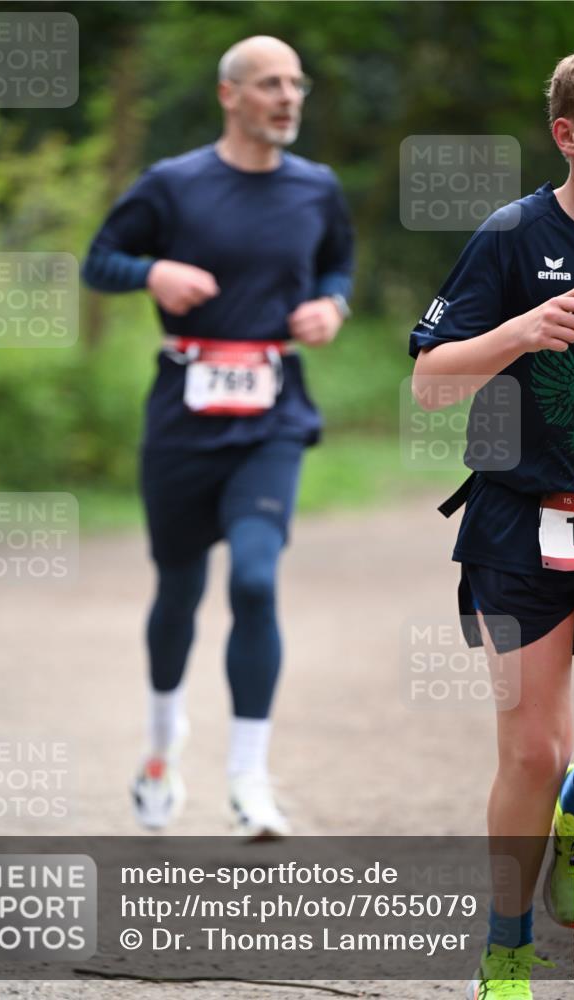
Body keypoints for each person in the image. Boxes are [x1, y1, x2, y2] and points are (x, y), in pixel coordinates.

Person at [82, 35, 354, 839]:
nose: (288, 96)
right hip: (181, 416)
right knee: (178, 589)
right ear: (229, 94)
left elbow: (337, 264)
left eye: (296, 83)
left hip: (271, 414)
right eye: (270, 83)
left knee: (257, 582)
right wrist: (151, 274)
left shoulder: (317, 189)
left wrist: (331, 307)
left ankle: (249, 781)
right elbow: (101, 260)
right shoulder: (173, 184)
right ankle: (163, 746)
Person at [409, 37, 574, 1000]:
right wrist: (519, 332)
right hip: (523, 518)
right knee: (533, 748)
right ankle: (508, 950)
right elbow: (429, 384)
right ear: (567, 134)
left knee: (572, 770)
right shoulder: (512, 237)